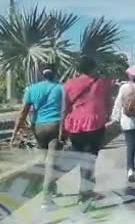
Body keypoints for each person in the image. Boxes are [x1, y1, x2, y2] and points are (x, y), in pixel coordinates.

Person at [61, 56, 113, 204]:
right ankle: (85, 192)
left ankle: (85, 190)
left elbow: (65, 108)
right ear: (92, 68)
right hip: (94, 124)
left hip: (74, 125)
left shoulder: (69, 84)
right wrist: (106, 115)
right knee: (90, 158)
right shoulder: (102, 83)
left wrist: (62, 129)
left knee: (81, 157)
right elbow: (107, 102)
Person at [12, 63, 63, 210]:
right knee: (53, 162)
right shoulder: (60, 88)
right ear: (54, 74)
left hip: (38, 128)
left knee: (43, 160)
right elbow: (66, 109)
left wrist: (15, 131)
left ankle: (48, 189)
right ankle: (46, 199)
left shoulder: (31, 89)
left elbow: (23, 112)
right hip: (55, 126)